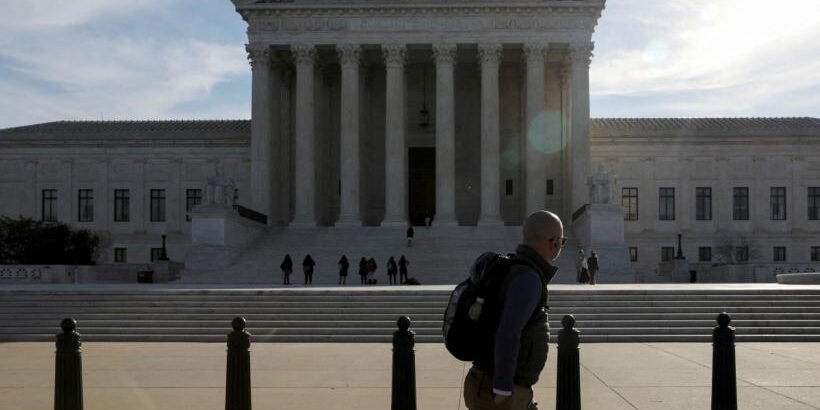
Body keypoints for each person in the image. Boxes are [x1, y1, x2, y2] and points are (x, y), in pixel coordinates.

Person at [463, 210, 564, 410]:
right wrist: (503, 390)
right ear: (554, 243)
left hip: (489, 382)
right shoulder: (528, 278)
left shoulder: (514, 269)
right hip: (500, 390)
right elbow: (508, 333)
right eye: (563, 241)